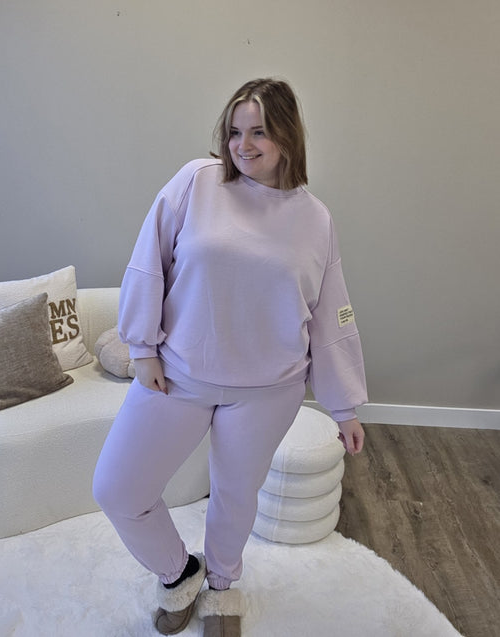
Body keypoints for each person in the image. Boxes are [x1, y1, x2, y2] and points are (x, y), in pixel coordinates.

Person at [93, 78, 368, 637]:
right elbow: (148, 261)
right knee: (118, 489)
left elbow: (329, 314)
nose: (243, 145)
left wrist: (344, 407)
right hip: (178, 376)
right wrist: (142, 348)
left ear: (287, 136)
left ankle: (222, 585)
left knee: (235, 497)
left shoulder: (316, 219)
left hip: (269, 390)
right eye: (235, 132)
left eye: (259, 132)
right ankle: (178, 573)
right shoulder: (197, 182)